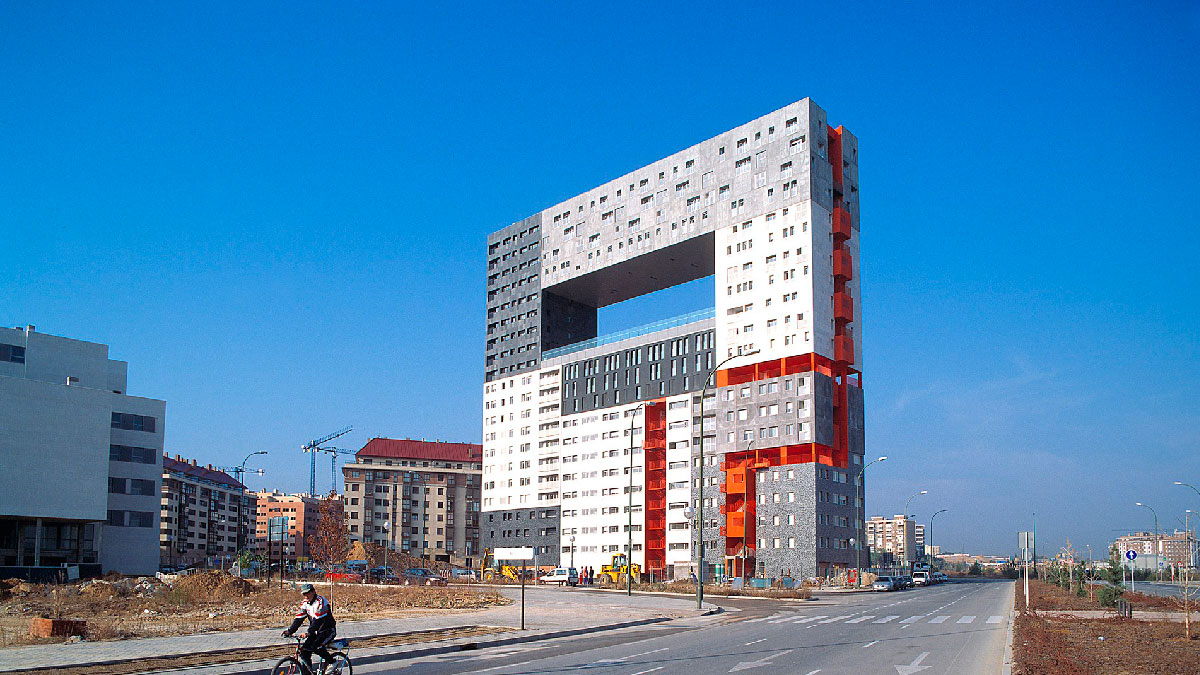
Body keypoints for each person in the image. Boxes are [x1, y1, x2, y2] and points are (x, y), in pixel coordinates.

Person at [282, 583, 337, 674]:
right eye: (304, 594)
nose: (306, 596)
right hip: (316, 632)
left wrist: (308, 633)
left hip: (327, 630)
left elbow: (318, 621)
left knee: (316, 647)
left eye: (307, 593)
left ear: (313, 592)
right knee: (304, 652)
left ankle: (332, 662)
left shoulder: (321, 602)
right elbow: (299, 619)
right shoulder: (305, 604)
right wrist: (289, 631)